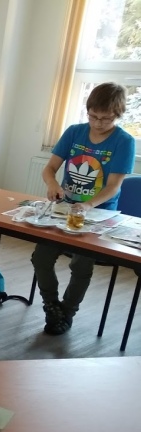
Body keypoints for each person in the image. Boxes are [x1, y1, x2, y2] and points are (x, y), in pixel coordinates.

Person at [31, 82, 136, 335]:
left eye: (106, 119)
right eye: (93, 116)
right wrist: (53, 184)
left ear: (118, 114)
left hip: (98, 213)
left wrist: (88, 205)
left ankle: (67, 312)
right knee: (41, 257)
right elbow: (49, 169)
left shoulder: (124, 141)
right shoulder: (74, 132)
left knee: (81, 266)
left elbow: (113, 187)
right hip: (64, 208)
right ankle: (51, 305)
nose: (98, 123)